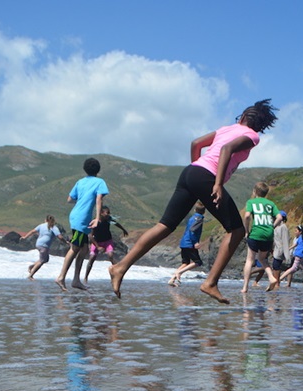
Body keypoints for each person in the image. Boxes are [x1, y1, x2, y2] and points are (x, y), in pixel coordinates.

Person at [109, 99, 279, 304]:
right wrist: (217, 184)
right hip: (207, 177)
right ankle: (210, 283)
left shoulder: (227, 128)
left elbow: (196, 144)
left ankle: (120, 267)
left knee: (164, 226)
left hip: (190, 172)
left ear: (242, 117)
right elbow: (226, 150)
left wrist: (197, 171)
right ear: (259, 126)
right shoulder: (252, 136)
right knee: (236, 230)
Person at [55, 157, 108, 291]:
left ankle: (76, 280)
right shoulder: (99, 182)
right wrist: (97, 218)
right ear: (98, 170)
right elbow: (99, 199)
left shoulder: (80, 182)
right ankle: (61, 277)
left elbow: (69, 199)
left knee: (84, 249)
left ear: (85, 169)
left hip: (77, 216)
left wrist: (82, 200)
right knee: (74, 248)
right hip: (81, 218)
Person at [241, 181, 282, 293]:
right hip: (268, 234)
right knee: (262, 259)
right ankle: (271, 277)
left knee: (250, 260)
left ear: (255, 191)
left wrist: (246, 231)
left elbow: (247, 216)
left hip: (255, 233)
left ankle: (245, 287)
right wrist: (272, 227)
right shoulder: (271, 204)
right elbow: (279, 217)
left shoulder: (251, 202)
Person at [84, 206, 129, 283]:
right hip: (96, 242)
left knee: (110, 255)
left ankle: (118, 272)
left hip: (108, 241)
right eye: (107, 213)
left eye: (109, 213)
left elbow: (116, 223)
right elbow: (90, 236)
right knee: (91, 258)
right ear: (101, 213)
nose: (108, 214)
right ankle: (86, 277)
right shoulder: (95, 222)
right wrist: (98, 247)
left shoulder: (108, 219)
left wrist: (123, 229)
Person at [169, 204, 206, 287]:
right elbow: (192, 231)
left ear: (194, 210)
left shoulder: (192, 218)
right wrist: (195, 242)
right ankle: (179, 272)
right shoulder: (199, 219)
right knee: (198, 262)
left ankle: (172, 279)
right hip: (190, 243)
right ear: (204, 212)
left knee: (185, 262)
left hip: (184, 242)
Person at [24, 215, 69, 279]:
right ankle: (31, 275)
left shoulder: (41, 225)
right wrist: (65, 242)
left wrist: (25, 237)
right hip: (44, 246)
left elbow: (32, 231)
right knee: (42, 261)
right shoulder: (53, 227)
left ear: (46, 220)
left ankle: (32, 266)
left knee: (45, 259)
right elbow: (60, 237)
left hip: (38, 244)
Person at [280, 223, 303, 287]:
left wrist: (289, 248)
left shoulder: (301, 237)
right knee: (293, 268)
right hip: (300, 255)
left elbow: (295, 244)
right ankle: (280, 278)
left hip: (298, 255)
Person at [271, 210, 289, 287]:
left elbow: (285, 240)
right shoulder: (276, 226)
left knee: (276, 266)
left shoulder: (283, 227)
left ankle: (277, 283)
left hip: (280, 250)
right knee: (275, 266)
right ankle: (276, 283)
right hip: (276, 249)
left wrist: (286, 255)